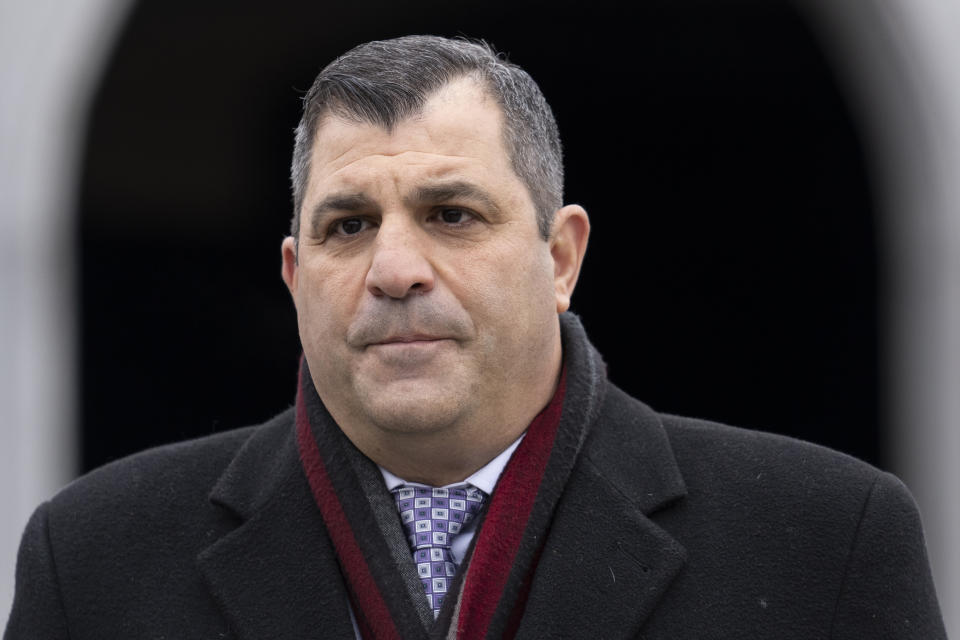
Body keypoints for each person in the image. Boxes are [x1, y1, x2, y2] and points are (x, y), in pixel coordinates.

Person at [4, 35, 946, 640]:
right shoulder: (92, 564)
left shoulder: (826, 547)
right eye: (347, 225)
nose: (395, 268)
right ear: (295, 279)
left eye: (450, 214)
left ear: (561, 257)